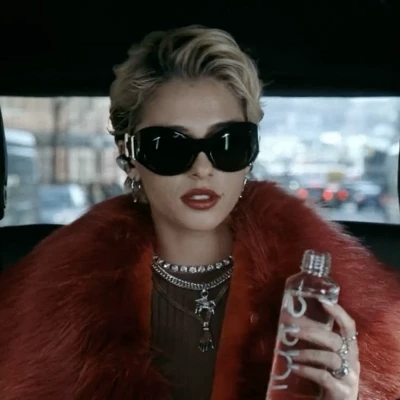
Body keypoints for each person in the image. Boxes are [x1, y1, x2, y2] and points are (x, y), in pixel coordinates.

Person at [0, 25, 399, 400]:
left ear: (251, 153)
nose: (202, 168)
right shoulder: (52, 305)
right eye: (170, 146)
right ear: (130, 156)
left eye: (229, 143)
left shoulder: (331, 297)